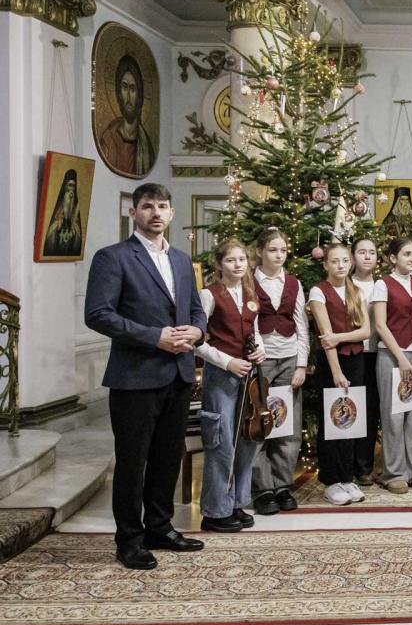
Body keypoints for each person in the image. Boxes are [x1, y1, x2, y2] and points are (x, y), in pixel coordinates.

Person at [84, 183, 205, 569]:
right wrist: (155, 337)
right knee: (133, 462)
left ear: (171, 213)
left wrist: (197, 331)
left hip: (179, 374)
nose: (156, 213)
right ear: (133, 212)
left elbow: (196, 310)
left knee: (168, 458)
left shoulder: (182, 260)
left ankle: (160, 527)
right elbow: (98, 314)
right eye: (148, 206)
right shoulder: (113, 257)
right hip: (134, 377)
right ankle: (129, 540)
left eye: (162, 206)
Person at [194, 239, 266, 532]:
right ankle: (215, 511)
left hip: (249, 375)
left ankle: (237, 502)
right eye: (231, 260)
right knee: (222, 441)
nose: (238, 265)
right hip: (222, 375)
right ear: (219, 264)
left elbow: (255, 331)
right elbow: (197, 342)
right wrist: (227, 362)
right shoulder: (209, 295)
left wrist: (260, 350)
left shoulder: (249, 293)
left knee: (247, 438)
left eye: (242, 259)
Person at [250, 228, 309, 516]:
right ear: (260, 251)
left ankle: (283, 484)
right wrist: (257, 350)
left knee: (287, 424)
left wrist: (301, 364)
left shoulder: (293, 283)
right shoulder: (249, 281)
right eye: (273, 250)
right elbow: (248, 320)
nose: (278, 255)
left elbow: (301, 325)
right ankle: (262, 488)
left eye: (283, 250)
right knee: (259, 422)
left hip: (288, 357)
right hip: (261, 359)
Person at [307, 243, 371, 506]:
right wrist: (336, 372)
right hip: (332, 363)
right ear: (325, 265)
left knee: (350, 419)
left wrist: (340, 337)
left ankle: (347, 477)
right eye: (334, 261)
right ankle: (331, 480)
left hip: (356, 360)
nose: (341, 265)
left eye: (345, 260)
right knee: (332, 419)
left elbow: (365, 331)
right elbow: (326, 338)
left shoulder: (356, 290)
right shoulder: (318, 292)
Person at [371, 237, 412, 494]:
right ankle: (394, 473)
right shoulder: (382, 284)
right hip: (391, 355)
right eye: (406, 254)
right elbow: (380, 325)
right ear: (393, 258)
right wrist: (401, 358)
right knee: (394, 416)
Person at [96, 55, 157, 177]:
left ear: (139, 95)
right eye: (124, 88)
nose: (128, 97)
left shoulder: (145, 145)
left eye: (132, 89)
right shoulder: (109, 139)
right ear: (119, 93)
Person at [350, 238, 380, 487]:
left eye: (372, 252)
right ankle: (347, 464)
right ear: (353, 256)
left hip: (378, 352)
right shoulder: (346, 284)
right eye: (362, 252)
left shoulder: (382, 285)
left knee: (371, 410)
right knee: (353, 407)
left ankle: (364, 466)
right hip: (353, 353)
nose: (367, 256)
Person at [42, 169, 84, 257]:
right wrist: (58, 222)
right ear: (65, 186)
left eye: (74, 186)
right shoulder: (60, 203)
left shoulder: (75, 206)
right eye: (70, 185)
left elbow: (78, 242)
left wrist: (74, 224)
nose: (71, 189)